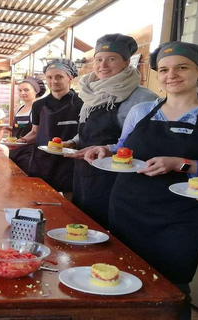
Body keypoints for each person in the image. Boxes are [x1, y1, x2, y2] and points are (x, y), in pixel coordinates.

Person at [85, 41, 198, 319]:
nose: (172, 75)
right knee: (121, 276)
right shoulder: (142, 111)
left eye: (182, 67)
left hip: (182, 217)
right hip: (128, 206)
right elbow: (123, 147)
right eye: (164, 69)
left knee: (172, 287)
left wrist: (182, 164)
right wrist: (106, 150)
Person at [65, 33, 157, 227]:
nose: (103, 65)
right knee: (82, 225)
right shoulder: (91, 93)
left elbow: (142, 143)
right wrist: (73, 141)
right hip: (85, 173)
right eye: (98, 59)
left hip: (117, 178)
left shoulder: (143, 98)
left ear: (126, 62)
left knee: (111, 232)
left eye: (111, 59)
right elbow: (87, 125)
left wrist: (107, 148)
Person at [19, 61, 83, 192]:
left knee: (68, 206)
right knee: (39, 199)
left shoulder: (81, 103)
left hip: (70, 163)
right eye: (49, 77)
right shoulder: (38, 105)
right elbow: (35, 132)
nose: (53, 81)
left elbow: (86, 133)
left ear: (70, 78)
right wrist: (21, 141)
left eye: (59, 76)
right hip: (42, 161)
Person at [6, 77, 46, 174]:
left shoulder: (39, 108)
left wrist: (20, 141)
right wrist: (9, 129)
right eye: (20, 90)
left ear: (36, 91)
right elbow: (21, 128)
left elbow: (37, 131)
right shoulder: (20, 108)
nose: (22, 93)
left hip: (29, 152)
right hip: (15, 151)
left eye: (26, 90)